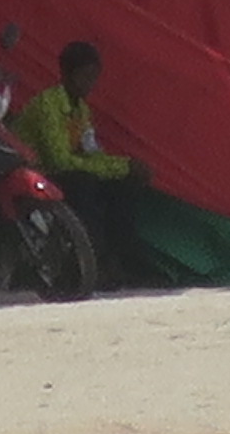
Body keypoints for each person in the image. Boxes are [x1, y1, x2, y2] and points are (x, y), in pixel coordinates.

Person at [12, 39, 151, 277]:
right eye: (85, 77)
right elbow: (59, 161)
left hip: (70, 172)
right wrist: (121, 167)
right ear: (67, 74)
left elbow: (92, 154)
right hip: (37, 175)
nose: (90, 84)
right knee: (82, 183)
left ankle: (124, 261)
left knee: (125, 186)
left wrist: (124, 168)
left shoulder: (81, 110)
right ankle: (91, 261)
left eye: (94, 77)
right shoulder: (47, 105)